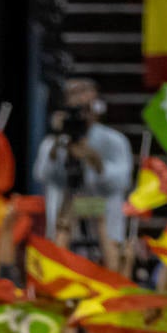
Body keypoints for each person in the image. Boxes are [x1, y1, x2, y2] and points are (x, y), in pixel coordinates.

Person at [33, 77, 133, 243]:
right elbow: (42, 174)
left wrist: (96, 162)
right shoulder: (53, 143)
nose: (82, 110)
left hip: (104, 233)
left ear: (98, 106)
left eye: (87, 106)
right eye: (75, 97)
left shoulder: (114, 140)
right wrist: (58, 143)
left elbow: (122, 181)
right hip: (63, 231)